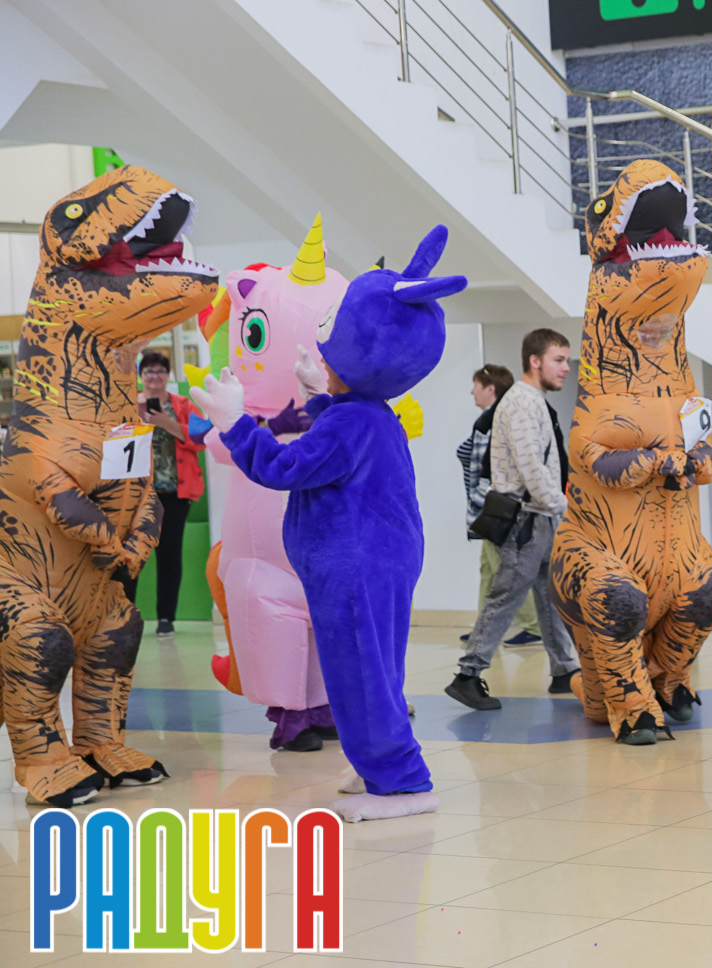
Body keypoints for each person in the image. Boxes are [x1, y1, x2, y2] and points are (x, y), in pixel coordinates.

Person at [192, 224, 463, 821]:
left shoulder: (353, 422)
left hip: (356, 567)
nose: (320, 344)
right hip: (373, 562)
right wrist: (321, 397)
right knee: (369, 671)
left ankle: (403, 782)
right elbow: (335, 448)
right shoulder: (369, 413)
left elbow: (284, 467)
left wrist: (237, 424)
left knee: (362, 674)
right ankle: (378, 766)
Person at [447, 328, 580, 709]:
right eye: (558, 360)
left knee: (549, 594)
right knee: (505, 597)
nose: (565, 367)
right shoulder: (522, 403)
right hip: (526, 519)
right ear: (534, 361)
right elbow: (530, 467)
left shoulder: (531, 400)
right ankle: (467, 676)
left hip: (538, 517)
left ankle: (564, 668)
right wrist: (564, 506)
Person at [458, 364, 543, 647]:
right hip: (488, 508)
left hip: (495, 508)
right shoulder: (489, 420)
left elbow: (495, 468)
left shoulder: (497, 421)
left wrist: (488, 503)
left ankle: (534, 627)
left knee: (506, 569)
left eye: (476, 386)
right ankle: (485, 626)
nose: (472, 392)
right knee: (488, 568)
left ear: (490, 389)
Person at [126, 350, 207, 637]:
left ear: (168, 375)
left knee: (169, 554)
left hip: (175, 492)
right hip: (136, 494)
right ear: (141, 375)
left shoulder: (183, 405)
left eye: (160, 371)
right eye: (149, 371)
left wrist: (166, 423)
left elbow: (201, 439)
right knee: (131, 555)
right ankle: (125, 617)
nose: (154, 376)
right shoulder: (127, 402)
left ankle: (165, 618)